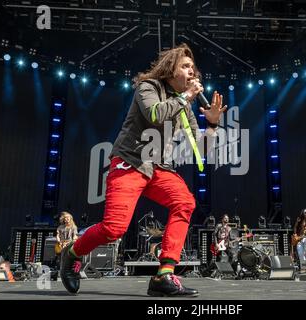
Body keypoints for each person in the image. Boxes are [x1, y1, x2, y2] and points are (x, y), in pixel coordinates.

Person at [59, 43, 227, 297]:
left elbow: (202, 149)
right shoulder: (148, 87)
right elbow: (154, 114)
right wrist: (186, 98)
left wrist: (212, 124)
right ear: (171, 69)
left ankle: (164, 275)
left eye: (194, 68)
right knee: (114, 229)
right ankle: (72, 253)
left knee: (185, 202)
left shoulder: (186, 107)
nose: (192, 72)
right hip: (130, 162)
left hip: (159, 168)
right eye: (185, 66)